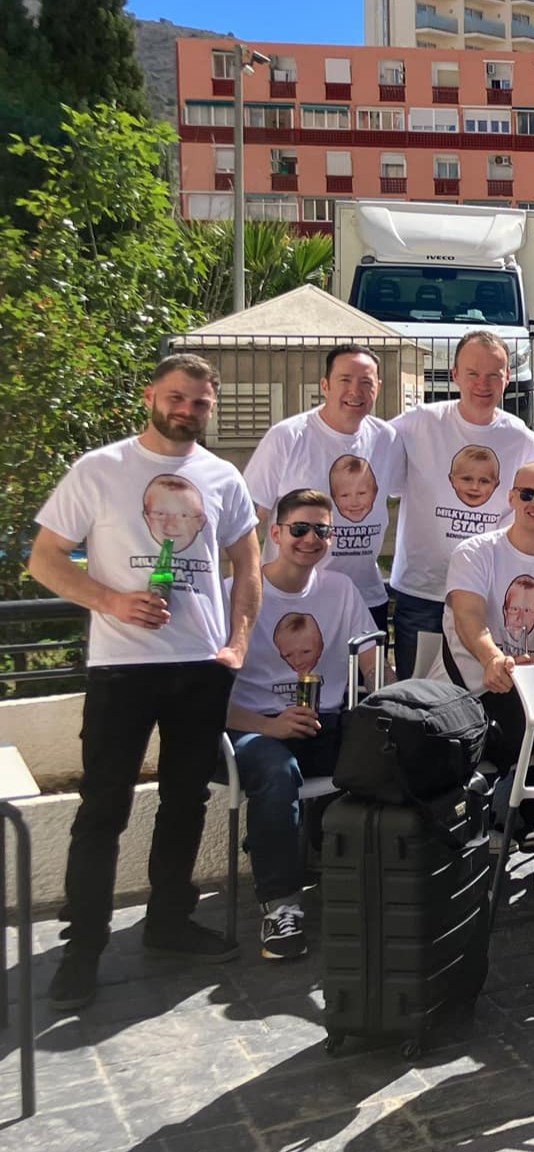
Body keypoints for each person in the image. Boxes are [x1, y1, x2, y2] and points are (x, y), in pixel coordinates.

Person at [29, 354, 262, 1010]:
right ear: (150, 396)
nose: (187, 411)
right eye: (176, 398)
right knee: (103, 808)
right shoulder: (99, 469)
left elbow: (248, 566)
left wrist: (238, 643)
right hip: (122, 668)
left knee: (186, 801)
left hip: (200, 667)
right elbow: (45, 560)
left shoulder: (222, 477)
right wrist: (111, 601)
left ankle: (168, 922)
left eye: (200, 403)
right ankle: (82, 951)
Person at [223, 489, 380, 961]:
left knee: (392, 752)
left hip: (322, 722)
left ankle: (376, 878)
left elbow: (372, 664)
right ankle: (281, 907)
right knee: (277, 773)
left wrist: (393, 697)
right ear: (275, 533)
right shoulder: (235, 592)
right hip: (251, 727)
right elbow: (206, 698)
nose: (311, 539)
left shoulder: (340, 589)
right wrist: (269, 726)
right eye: (299, 529)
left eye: (322, 530)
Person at [435, 461, 534, 902]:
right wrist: (495, 660)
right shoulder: (476, 552)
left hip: (527, 700)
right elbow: (469, 620)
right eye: (527, 494)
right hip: (466, 698)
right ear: (511, 498)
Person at [388, 331, 534, 680]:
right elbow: (364, 461)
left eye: (493, 375)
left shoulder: (521, 438)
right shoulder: (418, 423)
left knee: (482, 694)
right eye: (473, 373)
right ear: (455, 374)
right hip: (423, 592)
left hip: (486, 596)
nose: (482, 384)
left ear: (508, 378)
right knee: (416, 695)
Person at [241, 345, 404, 629]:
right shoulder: (288, 437)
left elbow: (408, 493)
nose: (355, 391)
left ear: (378, 387)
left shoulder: (387, 438)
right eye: (345, 380)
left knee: (368, 661)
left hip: (365, 597)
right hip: (294, 598)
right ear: (325, 386)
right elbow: (249, 521)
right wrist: (249, 583)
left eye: (366, 382)